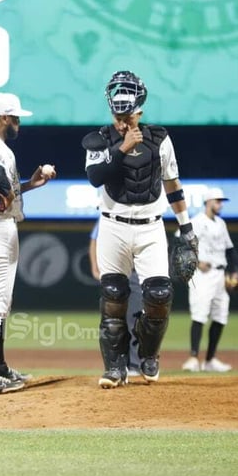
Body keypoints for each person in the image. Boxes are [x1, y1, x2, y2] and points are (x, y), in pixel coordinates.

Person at [82, 70, 197, 388]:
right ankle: (114, 368)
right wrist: (121, 147)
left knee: (159, 296)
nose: (121, 119)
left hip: (150, 227)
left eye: (127, 113)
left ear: (140, 111)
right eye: (117, 113)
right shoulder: (100, 139)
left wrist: (186, 228)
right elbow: (95, 176)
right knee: (113, 296)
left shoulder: (160, 138)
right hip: (113, 225)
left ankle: (148, 354)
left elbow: (173, 184)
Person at [0, 92, 56, 396]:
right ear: (4, 118)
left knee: (0, 303)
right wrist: (9, 190)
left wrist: (29, 185)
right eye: (15, 118)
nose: (18, 123)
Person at [181, 187, 238, 373]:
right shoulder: (195, 221)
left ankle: (210, 360)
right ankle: (193, 358)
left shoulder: (221, 223)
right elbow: (181, 245)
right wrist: (195, 262)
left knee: (220, 316)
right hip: (201, 275)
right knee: (199, 315)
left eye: (221, 201)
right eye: (217, 201)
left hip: (220, 275)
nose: (220, 204)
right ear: (208, 202)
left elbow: (229, 250)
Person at [88, 217, 141, 377]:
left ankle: (135, 365)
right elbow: (94, 240)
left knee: (135, 320)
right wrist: (94, 267)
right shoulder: (109, 216)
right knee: (114, 321)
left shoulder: (144, 217)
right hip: (115, 273)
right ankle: (117, 364)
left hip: (136, 273)